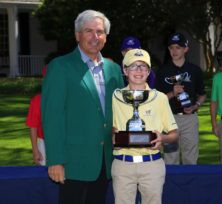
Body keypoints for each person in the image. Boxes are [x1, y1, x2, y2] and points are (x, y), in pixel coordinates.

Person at [41, 10, 124, 204]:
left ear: (106, 36)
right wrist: (55, 160)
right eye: (89, 31)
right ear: (78, 35)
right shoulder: (60, 67)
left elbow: (121, 112)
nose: (95, 37)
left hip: (105, 161)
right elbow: (53, 117)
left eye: (100, 32)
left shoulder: (114, 70)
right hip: (73, 162)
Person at [112, 48, 178, 204]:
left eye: (143, 66)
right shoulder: (115, 97)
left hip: (152, 164)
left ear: (149, 71)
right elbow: (105, 127)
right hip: (123, 164)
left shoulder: (160, 98)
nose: (139, 70)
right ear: (125, 70)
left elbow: (174, 133)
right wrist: (111, 133)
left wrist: (163, 138)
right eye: (133, 66)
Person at [155, 32, 206, 164]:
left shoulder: (195, 70)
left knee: (191, 157)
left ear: (186, 49)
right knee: (170, 158)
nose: (174, 51)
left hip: (190, 119)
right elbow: (157, 100)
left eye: (178, 47)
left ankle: (190, 184)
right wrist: (172, 93)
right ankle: (171, 185)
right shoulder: (162, 71)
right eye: (171, 48)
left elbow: (202, 94)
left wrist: (196, 106)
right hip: (169, 118)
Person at [26, 65, 47, 165]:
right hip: (43, 142)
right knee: (44, 174)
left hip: (64, 142)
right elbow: (33, 126)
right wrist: (35, 150)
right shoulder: (37, 100)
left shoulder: (67, 99)